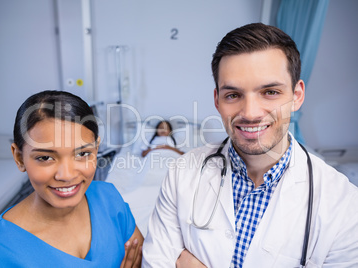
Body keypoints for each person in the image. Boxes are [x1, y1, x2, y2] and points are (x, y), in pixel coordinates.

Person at [142, 23, 358, 267]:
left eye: (270, 92)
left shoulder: (344, 207)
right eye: (233, 95)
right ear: (217, 100)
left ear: (297, 96)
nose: (250, 113)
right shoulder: (182, 173)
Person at [0, 90, 144, 267]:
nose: (66, 175)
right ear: (19, 158)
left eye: (82, 153)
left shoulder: (108, 198)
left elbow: (148, 260)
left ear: (96, 150)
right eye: (45, 158)